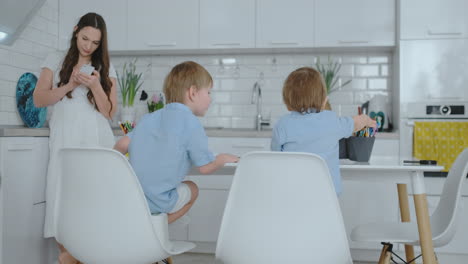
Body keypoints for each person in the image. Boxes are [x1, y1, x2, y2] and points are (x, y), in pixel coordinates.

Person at [33, 12, 117, 264]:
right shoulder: (55, 59)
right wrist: (69, 85)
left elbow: (110, 113)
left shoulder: (106, 66)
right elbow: (39, 99)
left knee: (93, 201)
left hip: (96, 140)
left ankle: (76, 257)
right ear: (75, 30)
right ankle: (72, 255)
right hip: (65, 140)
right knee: (63, 200)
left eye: (94, 42)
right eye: (84, 38)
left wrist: (94, 86)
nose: (88, 46)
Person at [114, 61, 239, 224]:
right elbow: (205, 168)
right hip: (158, 202)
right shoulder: (191, 123)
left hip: (132, 198)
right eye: (208, 92)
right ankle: (156, 229)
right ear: (193, 92)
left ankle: (146, 229)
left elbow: (122, 144)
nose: (210, 99)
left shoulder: (149, 118)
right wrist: (222, 158)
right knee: (193, 188)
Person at [271, 67, 376, 195]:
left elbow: (274, 158)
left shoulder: (282, 125)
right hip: (327, 196)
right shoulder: (331, 121)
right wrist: (367, 120)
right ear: (324, 101)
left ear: (287, 102)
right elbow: (356, 123)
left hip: (292, 194)